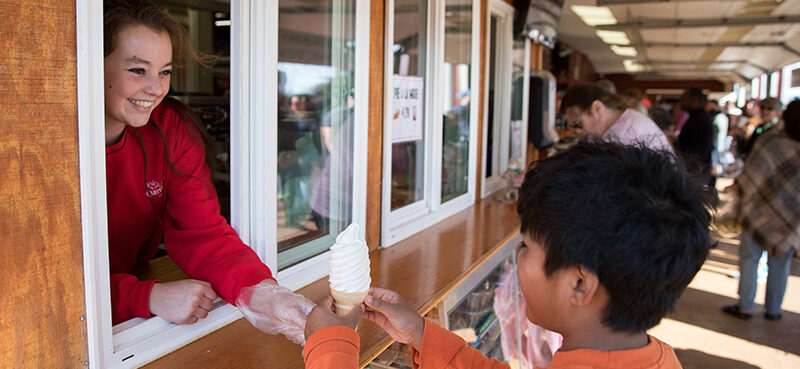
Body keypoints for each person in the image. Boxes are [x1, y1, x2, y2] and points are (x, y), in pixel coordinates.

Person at [304, 142, 715, 369]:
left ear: (579, 284)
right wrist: (421, 335)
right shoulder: (652, 359)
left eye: (526, 249)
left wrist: (329, 347)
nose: (518, 261)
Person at [103, 0, 313, 343]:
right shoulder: (45, 145)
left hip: (126, 324)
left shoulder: (169, 129)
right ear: (93, 66)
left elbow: (201, 231)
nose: (156, 89)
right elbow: (42, 279)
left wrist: (266, 297)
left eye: (165, 71)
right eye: (138, 71)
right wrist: (146, 297)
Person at [723, 100, 800, 321]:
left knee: (749, 259)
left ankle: (745, 306)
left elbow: (751, 175)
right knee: (781, 263)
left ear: (785, 116)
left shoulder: (770, 141)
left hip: (757, 211)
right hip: (792, 218)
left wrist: (738, 190)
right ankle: (774, 310)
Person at [560, 84, 673, 153]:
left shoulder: (627, 132)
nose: (577, 131)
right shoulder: (615, 124)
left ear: (598, 109)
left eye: (578, 124)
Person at [676, 88, 715, 182]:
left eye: (685, 99)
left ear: (694, 100)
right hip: (695, 171)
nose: (682, 102)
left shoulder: (700, 121)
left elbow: (698, 151)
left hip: (696, 172)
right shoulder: (697, 118)